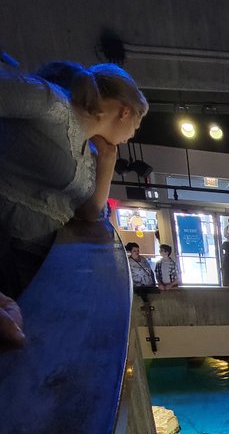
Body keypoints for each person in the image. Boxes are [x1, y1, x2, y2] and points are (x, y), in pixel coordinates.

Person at [0, 58, 148, 300]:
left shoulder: (87, 150)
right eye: (136, 128)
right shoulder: (51, 104)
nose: (131, 137)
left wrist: (109, 159)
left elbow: (89, 212)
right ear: (125, 112)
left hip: (34, 266)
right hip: (11, 252)